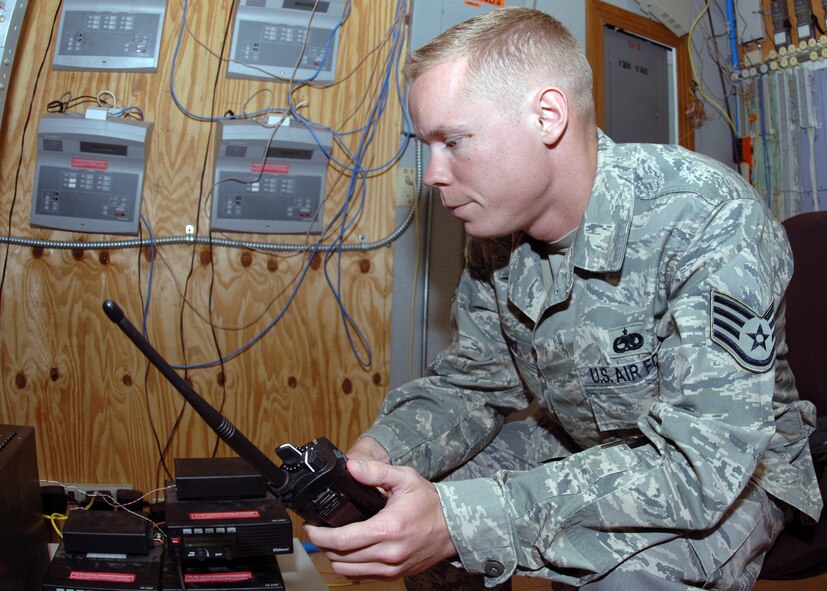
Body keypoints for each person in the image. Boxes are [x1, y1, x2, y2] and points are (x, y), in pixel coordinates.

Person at [305, 7, 822, 590]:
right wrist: (379, 455)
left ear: (547, 117)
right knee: (412, 505)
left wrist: (464, 521)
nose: (432, 174)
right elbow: (472, 385)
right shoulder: (496, 234)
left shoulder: (704, 215)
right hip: (588, 438)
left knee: (623, 576)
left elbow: (700, 469)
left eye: (453, 141)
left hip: (730, 469)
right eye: (428, 145)